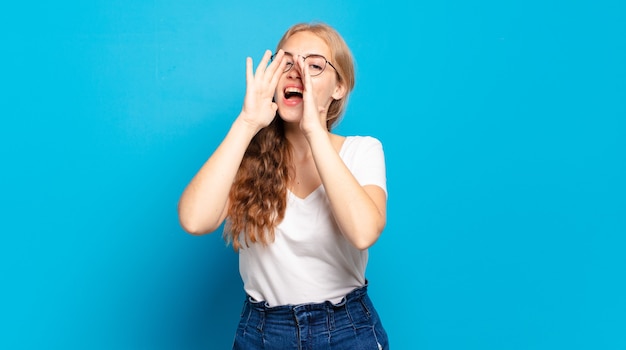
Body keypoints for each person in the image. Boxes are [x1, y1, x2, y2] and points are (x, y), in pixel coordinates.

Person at [178, 22, 389, 349]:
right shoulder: (244, 154)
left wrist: (315, 131)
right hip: (262, 333)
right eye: (286, 62)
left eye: (314, 65)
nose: (297, 72)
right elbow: (194, 220)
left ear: (339, 87)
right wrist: (246, 123)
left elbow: (363, 232)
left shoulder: (362, 150)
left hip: (348, 331)